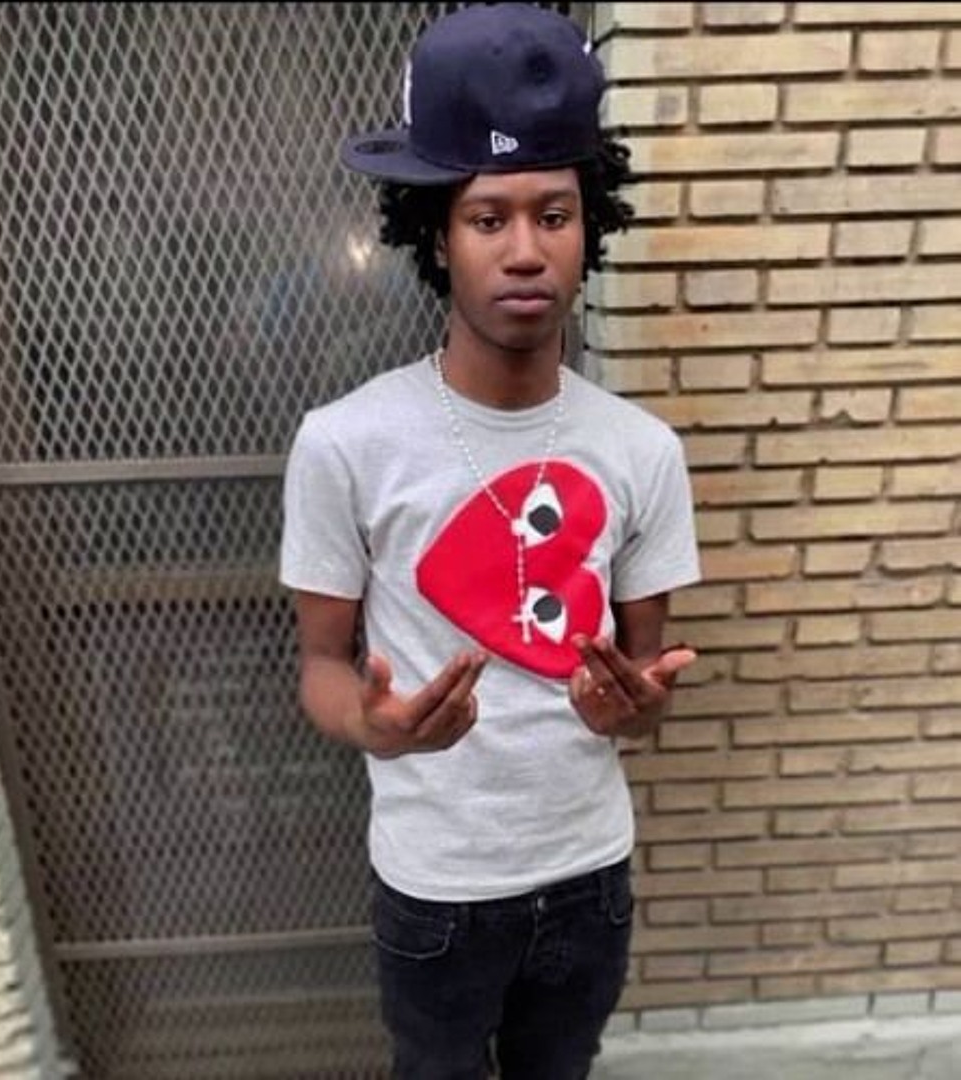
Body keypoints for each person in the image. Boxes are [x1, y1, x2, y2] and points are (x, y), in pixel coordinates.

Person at [279, 5, 701, 1077]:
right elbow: (322, 664)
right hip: (437, 886)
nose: (524, 251)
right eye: (486, 217)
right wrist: (376, 726)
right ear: (435, 233)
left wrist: (636, 710)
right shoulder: (344, 442)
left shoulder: (642, 451)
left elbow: (645, 677)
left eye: (554, 214)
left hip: (589, 875)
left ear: (589, 228)